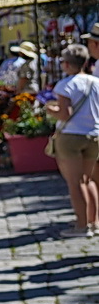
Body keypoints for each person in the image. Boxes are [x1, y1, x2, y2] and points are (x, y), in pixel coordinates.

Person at [45, 44, 99, 238]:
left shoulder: (66, 84)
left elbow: (64, 114)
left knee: (75, 183)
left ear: (67, 64)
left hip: (71, 136)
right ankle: (94, 221)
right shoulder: (95, 82)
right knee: (89, 179)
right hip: (93, 134)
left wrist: (49, 109)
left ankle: (82, 225)